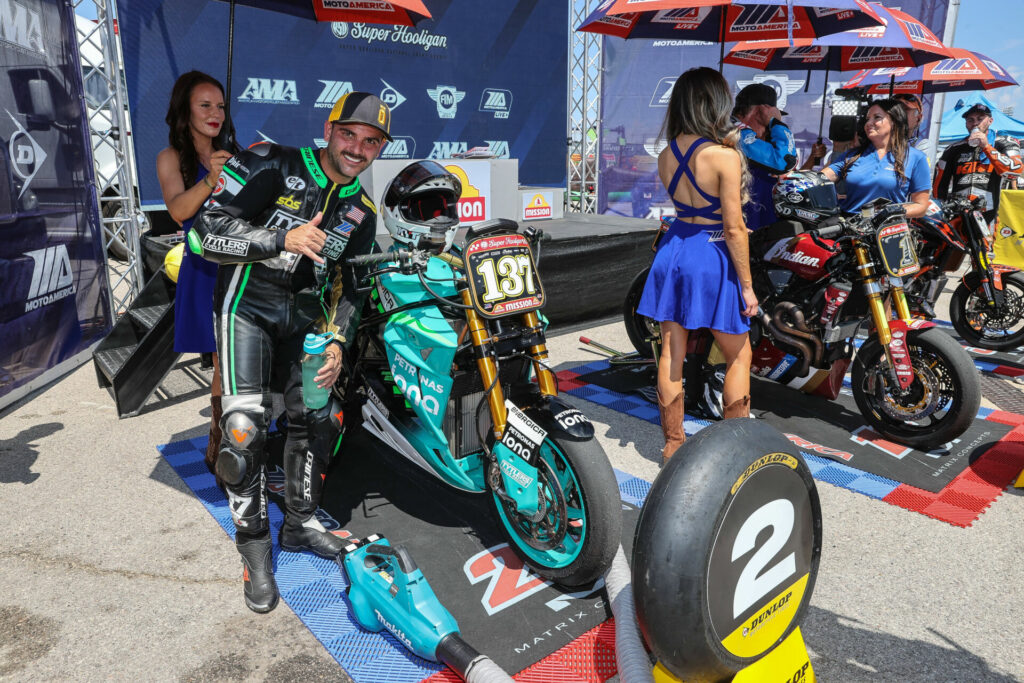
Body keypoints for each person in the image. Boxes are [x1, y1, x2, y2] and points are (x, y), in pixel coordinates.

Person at [193, 92, 391, 613]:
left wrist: (339, 339)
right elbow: (203, 236)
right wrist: (281, 239)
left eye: (371, 141)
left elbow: (353, 286)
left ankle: (301, 525)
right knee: (242, 430)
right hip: (245, 311)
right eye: (349, 134)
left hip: (305, 325)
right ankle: (254, 546)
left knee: (316, 418)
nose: (357, 148)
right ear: (329, 128)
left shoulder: (361, 212)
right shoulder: (271, 162)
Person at [638, 67, 758, 466]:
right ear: (715, 102)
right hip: (712, 254)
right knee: (739, 355)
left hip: (674, 250)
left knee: (671, 354)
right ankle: (736, 448)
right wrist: (747, 286)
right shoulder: (724, 156)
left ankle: (673, 443)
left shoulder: (666, 155)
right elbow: (735, 228)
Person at [156, 71, 237, 476]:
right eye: (205, 105)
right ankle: (220, 451)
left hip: (242, 269)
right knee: (224, 361)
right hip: (204, 270)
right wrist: (211, 179)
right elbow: (178, 211)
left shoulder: (236, 154)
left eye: (220, 106)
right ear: (184, 110)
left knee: (241, 360)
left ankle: (244, 437)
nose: (215, 113)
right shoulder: (171, 157)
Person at [822, 99, 931, 218]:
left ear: (894, 121)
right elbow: (819, 179)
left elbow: (921, 206)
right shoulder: (852, 155)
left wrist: (888, 212)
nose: (869, 123)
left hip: (888, 231)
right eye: (867, 119)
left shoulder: (916, 158)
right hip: (850, 229)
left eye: (877, 117)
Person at [932, 102, 1022, 224]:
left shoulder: (1004, 142)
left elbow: (1015, 171)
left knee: (984, 243)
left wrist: (986, 146)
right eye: (970, 120)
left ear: (990, 121)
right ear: (966, 124)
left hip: (988, 214)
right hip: (957, 214)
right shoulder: (953, 149)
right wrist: (941, 211)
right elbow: (939, 186)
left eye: (980, 119)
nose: (975, 123)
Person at [732, 83, 797, 230]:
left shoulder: (743, 134)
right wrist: (778, 124)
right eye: (770, 123)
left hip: (755, 226)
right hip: (740, 231)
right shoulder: (734, 132)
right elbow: (784, 161)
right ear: (761, 111)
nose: (770, 130)